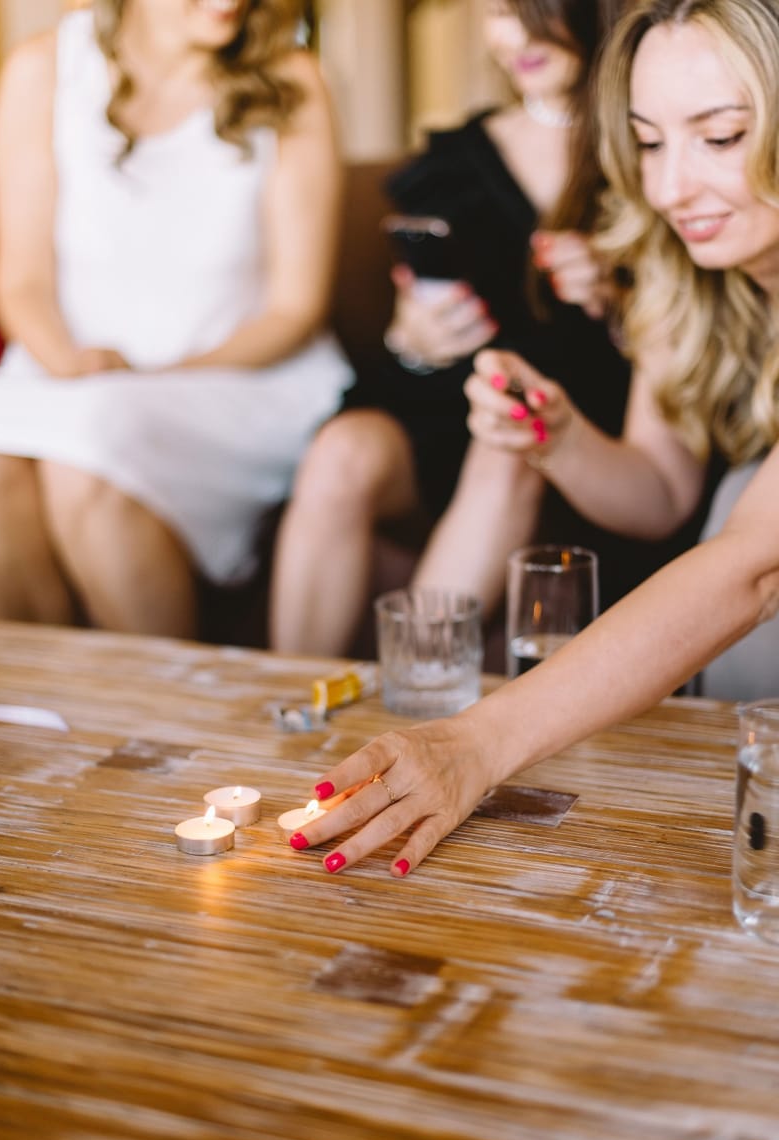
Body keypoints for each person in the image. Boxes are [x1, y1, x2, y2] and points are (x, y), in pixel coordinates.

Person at [281, 0, 779, 878]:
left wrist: (476, 742)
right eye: (650, 143)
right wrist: (554, 436)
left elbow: (752, 564)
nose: (668, 189)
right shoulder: (692, 269)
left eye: (723, 136)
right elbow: (663, 484)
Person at [270, 0, 711, 659]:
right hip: (449, 416)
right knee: (342, 449)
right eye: (497, 9)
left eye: (536, 10)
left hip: (588, 441)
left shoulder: (651, 150)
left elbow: (686, 318)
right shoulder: (454, 162)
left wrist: (619, 299)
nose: (514, 36)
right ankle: (285, 697)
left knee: (507, 433)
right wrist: (413, 341)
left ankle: (410, 689)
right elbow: (408, 368)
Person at [0, 0, 351, 636]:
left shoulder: (289, 80)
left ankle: (161, 714)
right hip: (69, 372)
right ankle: (41, 716)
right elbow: (21, 279)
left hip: (237, 382)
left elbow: (295, 308)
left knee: (89, 449)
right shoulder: (42, 71)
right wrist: (69, 362)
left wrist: (148, 377)